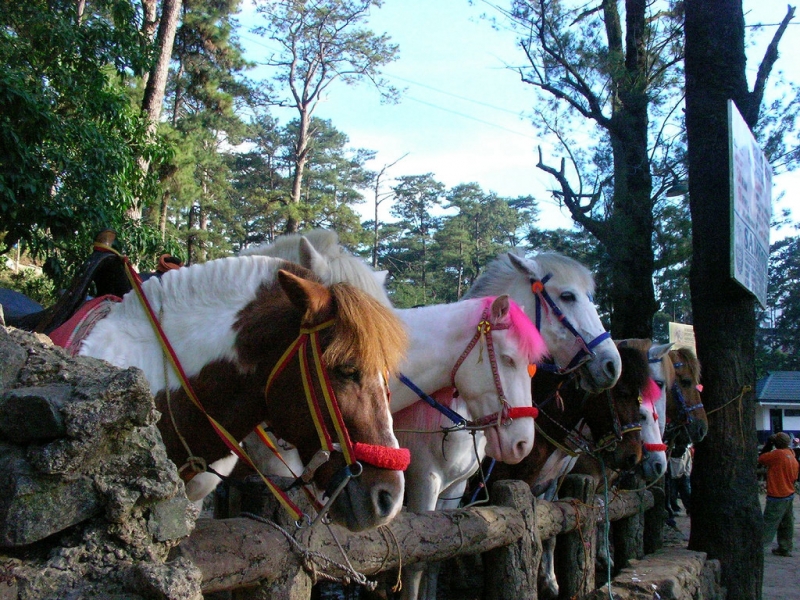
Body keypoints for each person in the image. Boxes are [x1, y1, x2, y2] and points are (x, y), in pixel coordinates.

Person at [759, 431, 799, 557]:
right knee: (787, 524)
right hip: (789, 493)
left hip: (777, 495)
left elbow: (761, 458)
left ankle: (759, 547)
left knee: (769, 524)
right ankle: (785, 547)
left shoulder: (777, 455)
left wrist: (768, 445)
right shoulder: (790, 453)